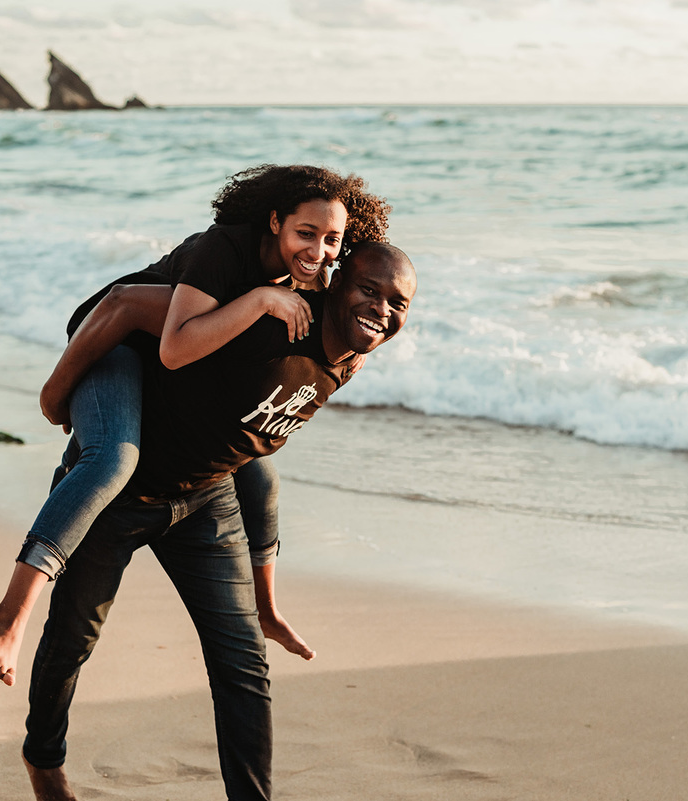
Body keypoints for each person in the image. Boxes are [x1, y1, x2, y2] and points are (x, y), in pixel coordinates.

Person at [23, 243, 416, 801]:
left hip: (205, 501)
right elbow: (126, 307)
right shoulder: (262, 318)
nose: (381, 310)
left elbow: (254, 451)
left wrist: (267, 597)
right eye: (369, 290)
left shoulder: (351, 356)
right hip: (120, 496)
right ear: (333, 283)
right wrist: (59, 399)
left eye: (398, 302)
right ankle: (44, 761)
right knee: (72, 640)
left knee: (243, 664)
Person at [0, 165, 391, 686]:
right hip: (113, 343)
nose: (319, 250)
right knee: (111, 460)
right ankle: (7, 618)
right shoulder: (227, 254)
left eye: (333, 239)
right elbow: (133, 315)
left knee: (259, 475)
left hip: (160, 359)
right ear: (275, 222)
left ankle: (267, 609)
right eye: (305, 234)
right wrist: (56, 398)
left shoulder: (309, 279)